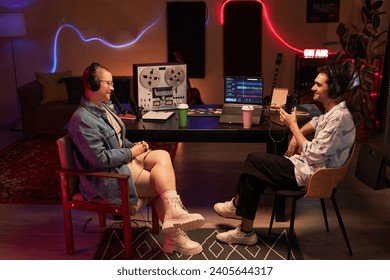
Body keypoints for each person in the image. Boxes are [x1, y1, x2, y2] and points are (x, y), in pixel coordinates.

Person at [68, 62, 205, 255]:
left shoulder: (105, 107)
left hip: (120, 162)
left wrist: (133, 147)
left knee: (162, 155)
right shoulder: (82, 120)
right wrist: (132, 153)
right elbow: (99, 159)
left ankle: (174, 214)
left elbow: (118, 139)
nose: (113, 88)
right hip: (104, 176)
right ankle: (175, 236)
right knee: (161, 184)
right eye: (109, 83)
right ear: (93, 85)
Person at [213, 62, 357, 245]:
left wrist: (293, 127)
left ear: (333, 89)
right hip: (308, 167)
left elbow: (313, 154)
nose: (313, 88)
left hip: (313, 176)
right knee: (254, 174)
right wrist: (297, 136)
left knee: (254, 160)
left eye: (318, 85)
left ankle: (237, 208)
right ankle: (245, 230)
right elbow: (317, 122)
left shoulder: (339, 120)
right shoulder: (336, 113)